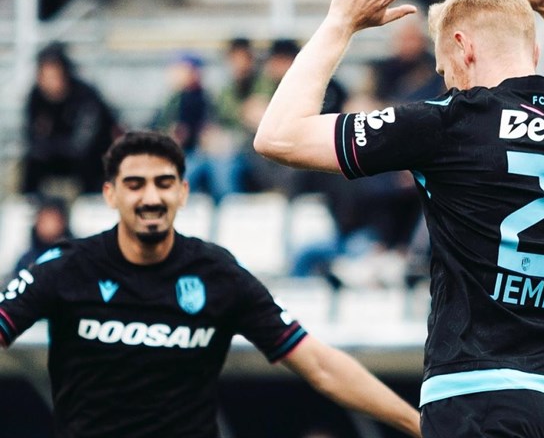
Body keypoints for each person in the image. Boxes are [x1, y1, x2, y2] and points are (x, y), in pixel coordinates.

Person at [253, 0, 544, 436]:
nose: (447, 81)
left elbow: (279, 136)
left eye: (442, 69)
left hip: (474, 399)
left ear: (462, 47)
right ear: (534, 52)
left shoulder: (448, 122)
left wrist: (340, 22)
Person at [0, 131, 421, 438]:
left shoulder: (216, 273)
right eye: (135, 184)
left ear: (183, 192)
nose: (151, 198)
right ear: (110, 194)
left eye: (164, 183)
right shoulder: (66, 268)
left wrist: (420, 425)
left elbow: (320, 364)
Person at [21, 42, 122, 197]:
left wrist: (50, 144)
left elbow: (83, 143)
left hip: (90, 157)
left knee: (91, 164)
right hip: (56, 156)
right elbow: (32, 138)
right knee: (31, 163)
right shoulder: (36, 98)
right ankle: (32, 202)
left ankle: (91, 201)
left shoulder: (85, 96)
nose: (50, 82)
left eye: (54, 76)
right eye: (45, 77)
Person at [151, 51, 235, 203]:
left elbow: (220, 127)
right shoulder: (172, 100)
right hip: (182, 153)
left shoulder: (207, 98)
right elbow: (156, 127)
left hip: (207, 153)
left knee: (221, 173)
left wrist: (211, 136)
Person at [13, 195, 73, 275]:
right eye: (43, 220)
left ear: (62, 222)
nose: (47, 226)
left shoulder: (74, 255)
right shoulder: (27, 260)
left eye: (51, 220)